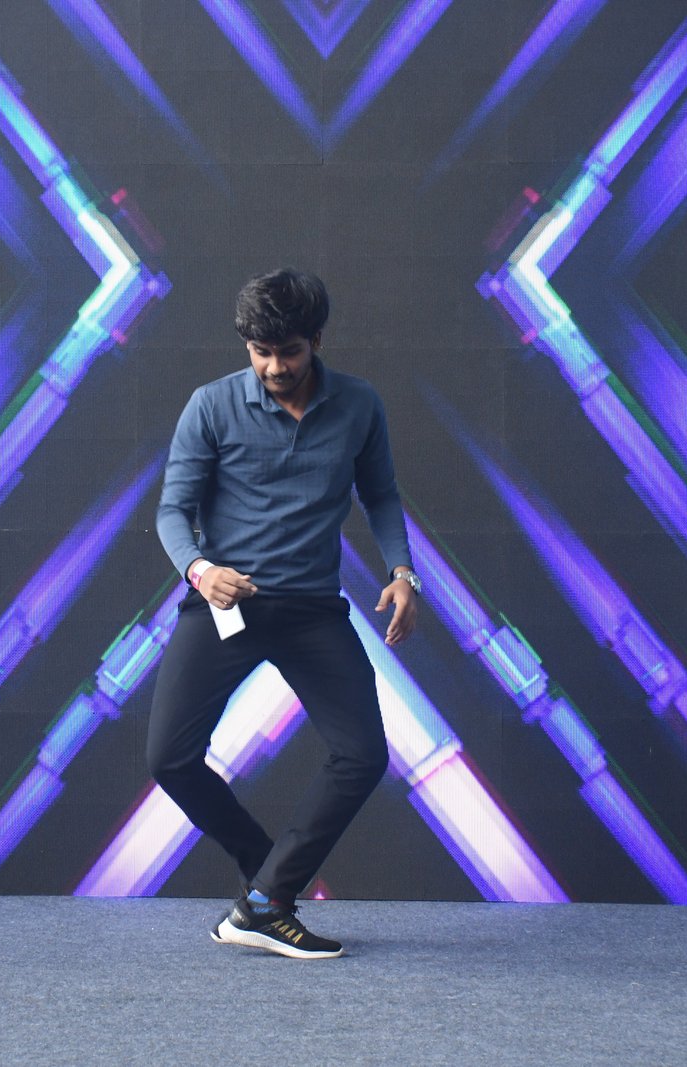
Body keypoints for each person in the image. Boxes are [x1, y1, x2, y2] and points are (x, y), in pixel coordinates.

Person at [149, 267, 421, 959]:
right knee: (170, 758)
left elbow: (381, 495)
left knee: (363, 755)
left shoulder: (359, 404)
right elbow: (173, 510)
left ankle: (267, 900)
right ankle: (267, 884)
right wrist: (201, 570)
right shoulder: (211, 405)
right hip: (226, 605)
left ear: (316, 341)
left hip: (312, 610)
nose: (274, 367)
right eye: (260, 352)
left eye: (289, 352)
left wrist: (401, 572)